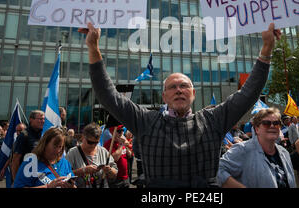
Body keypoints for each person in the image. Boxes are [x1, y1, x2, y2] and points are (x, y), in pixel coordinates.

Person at [79, 22, 280, 187]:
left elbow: (249, 93)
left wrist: (267, 49)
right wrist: (93, 47)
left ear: (192, 94)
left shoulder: (213, 120)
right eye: (172, 87)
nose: (178, 90)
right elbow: (108, 95)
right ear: (164, 97)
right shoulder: (145, 120)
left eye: (184, 86)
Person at [217, 108, 296, 188]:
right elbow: (218, 170)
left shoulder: (284, 153)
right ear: (256, 129)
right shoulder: (243, 149)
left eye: (276, 123)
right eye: (266, 123)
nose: (272, 126)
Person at [66, 123, 117, 188]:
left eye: (96, 143)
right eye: (90, 142)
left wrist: (109, 170)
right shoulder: (72, 152)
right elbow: (65, 175)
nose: (93, 145)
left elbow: (115, 173)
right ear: (83, 137)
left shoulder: (103, 151)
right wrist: (83, 170)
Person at [11, 110, 45, 181]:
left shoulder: (44, 135)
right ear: (31, 119)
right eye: (40, 119)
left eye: (43, 119)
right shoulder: (23, 135)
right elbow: (15, 160)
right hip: (26, 176)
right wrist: (16, 180)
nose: (43, 121)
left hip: (40, 175)